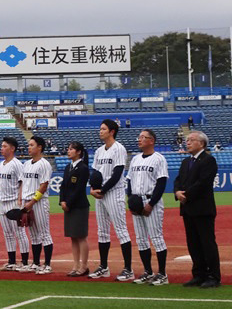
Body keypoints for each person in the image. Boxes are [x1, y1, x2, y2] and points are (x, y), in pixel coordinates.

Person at [174, 131, 221, 289]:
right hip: (188, 209)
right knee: (193, 243)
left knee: (207, 243)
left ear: (201, 143)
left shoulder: (208, 160)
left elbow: (203, 183)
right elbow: (178, 180)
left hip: (202, 209)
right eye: (187, 140)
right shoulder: (186, 161)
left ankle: (213, 276)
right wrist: (177, 192)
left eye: (191, 140)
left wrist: (186, 194)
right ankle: (198, 274)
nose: (187, 142)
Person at [89, 119, 134, 281]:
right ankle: (103, 267)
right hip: (100, 194)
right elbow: (94, 173)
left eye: (103, 129)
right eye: (100, 128)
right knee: (102, 232)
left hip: (114, 193)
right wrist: (93, 189)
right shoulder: (99, 150)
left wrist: (103, 189)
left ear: (112, 131)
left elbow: (117, 173)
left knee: (121, 230)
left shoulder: (119, 149)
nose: (100, 131)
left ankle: (128, 269)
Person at [128, 129, 169, 286]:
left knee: (157, 238)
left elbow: (161, 183)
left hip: (152, 201)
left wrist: (151, 204)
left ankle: (163, 274)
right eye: (139, 137)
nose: (139, 140)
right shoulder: (135, 159)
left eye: (143, 137)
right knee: (141, 240)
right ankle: (148, 271)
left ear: (151, 141)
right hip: (137, 201)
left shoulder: (159, 159)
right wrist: (131, 202)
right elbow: (130, 181)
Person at [0, 136, 31, 272]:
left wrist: (20, 201)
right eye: (2, 146)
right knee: (7, 233)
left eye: (5, 146)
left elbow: (22, 182)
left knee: (19, 232)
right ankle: (11, 261)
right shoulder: (1, 165)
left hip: (13, 202)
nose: (2, 148)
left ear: (12, 149)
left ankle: (24, 262)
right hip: (3, 202)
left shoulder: (17, 164)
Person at [21, 136, 54, 274]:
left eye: (32, 145)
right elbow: (24, 183)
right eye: (29, 145)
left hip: (38, 202)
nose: (29, 147)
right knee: (33, 235)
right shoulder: (26, 164)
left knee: (44, 233)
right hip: (27, 201)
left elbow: (44, 186)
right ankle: (35, 263)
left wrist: (32, 202)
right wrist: (23, 202)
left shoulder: (44, 164)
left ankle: (47, 265)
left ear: (39, 147)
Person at [59, 142, 89, 277]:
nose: (68, 151)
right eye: (68, 148)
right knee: (73, 237)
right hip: (69, 206)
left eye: (71, 149)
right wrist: (62, 201)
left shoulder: (83, 168)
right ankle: (75, 265)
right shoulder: (68, 167)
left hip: (79, 206)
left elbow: (79, 189)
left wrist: (68, 203)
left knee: (81, 236)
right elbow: (63, 186)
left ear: (78, 152)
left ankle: (83, 266)